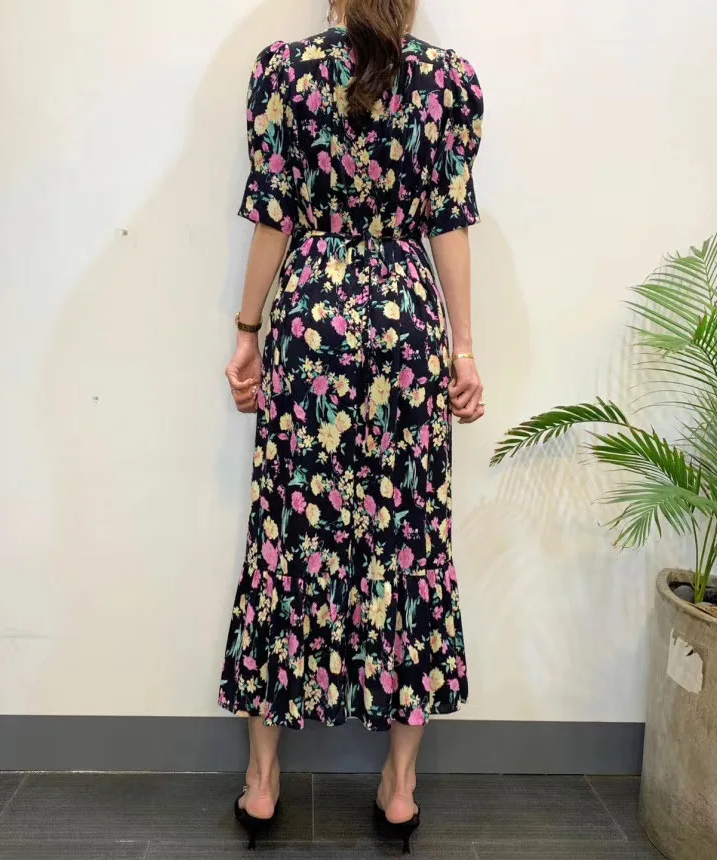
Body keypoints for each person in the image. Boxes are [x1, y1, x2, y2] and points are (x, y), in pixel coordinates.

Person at [218, 0, 484, 851]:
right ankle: (399, 789)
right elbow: (449, 222)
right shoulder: (446, 80)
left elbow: (275, 214)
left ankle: (263, 783)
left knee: (287, 536)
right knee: (408, 538)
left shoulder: (284, 71)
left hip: (312, 325)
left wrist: (248, 330)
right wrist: (464, 350)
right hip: (407, 330)